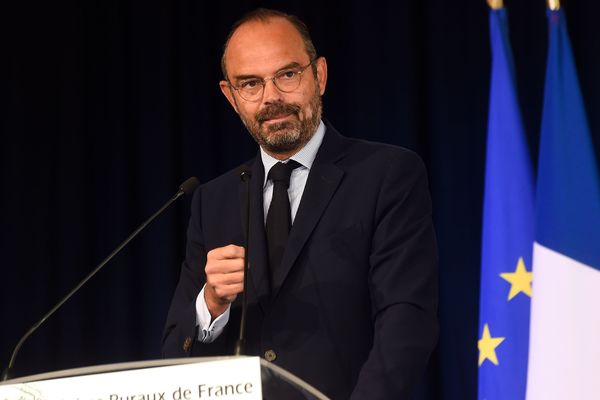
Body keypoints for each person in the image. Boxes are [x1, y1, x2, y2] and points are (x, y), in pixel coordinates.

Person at [162, 8, 438, 399]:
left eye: (287, 75)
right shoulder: (213, 200)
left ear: (319, 76)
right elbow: (176, 352)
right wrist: (211, 304)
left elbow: (407, 321)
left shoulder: (386, 174)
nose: (272, 97)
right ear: (231, 96)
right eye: (251, 84)